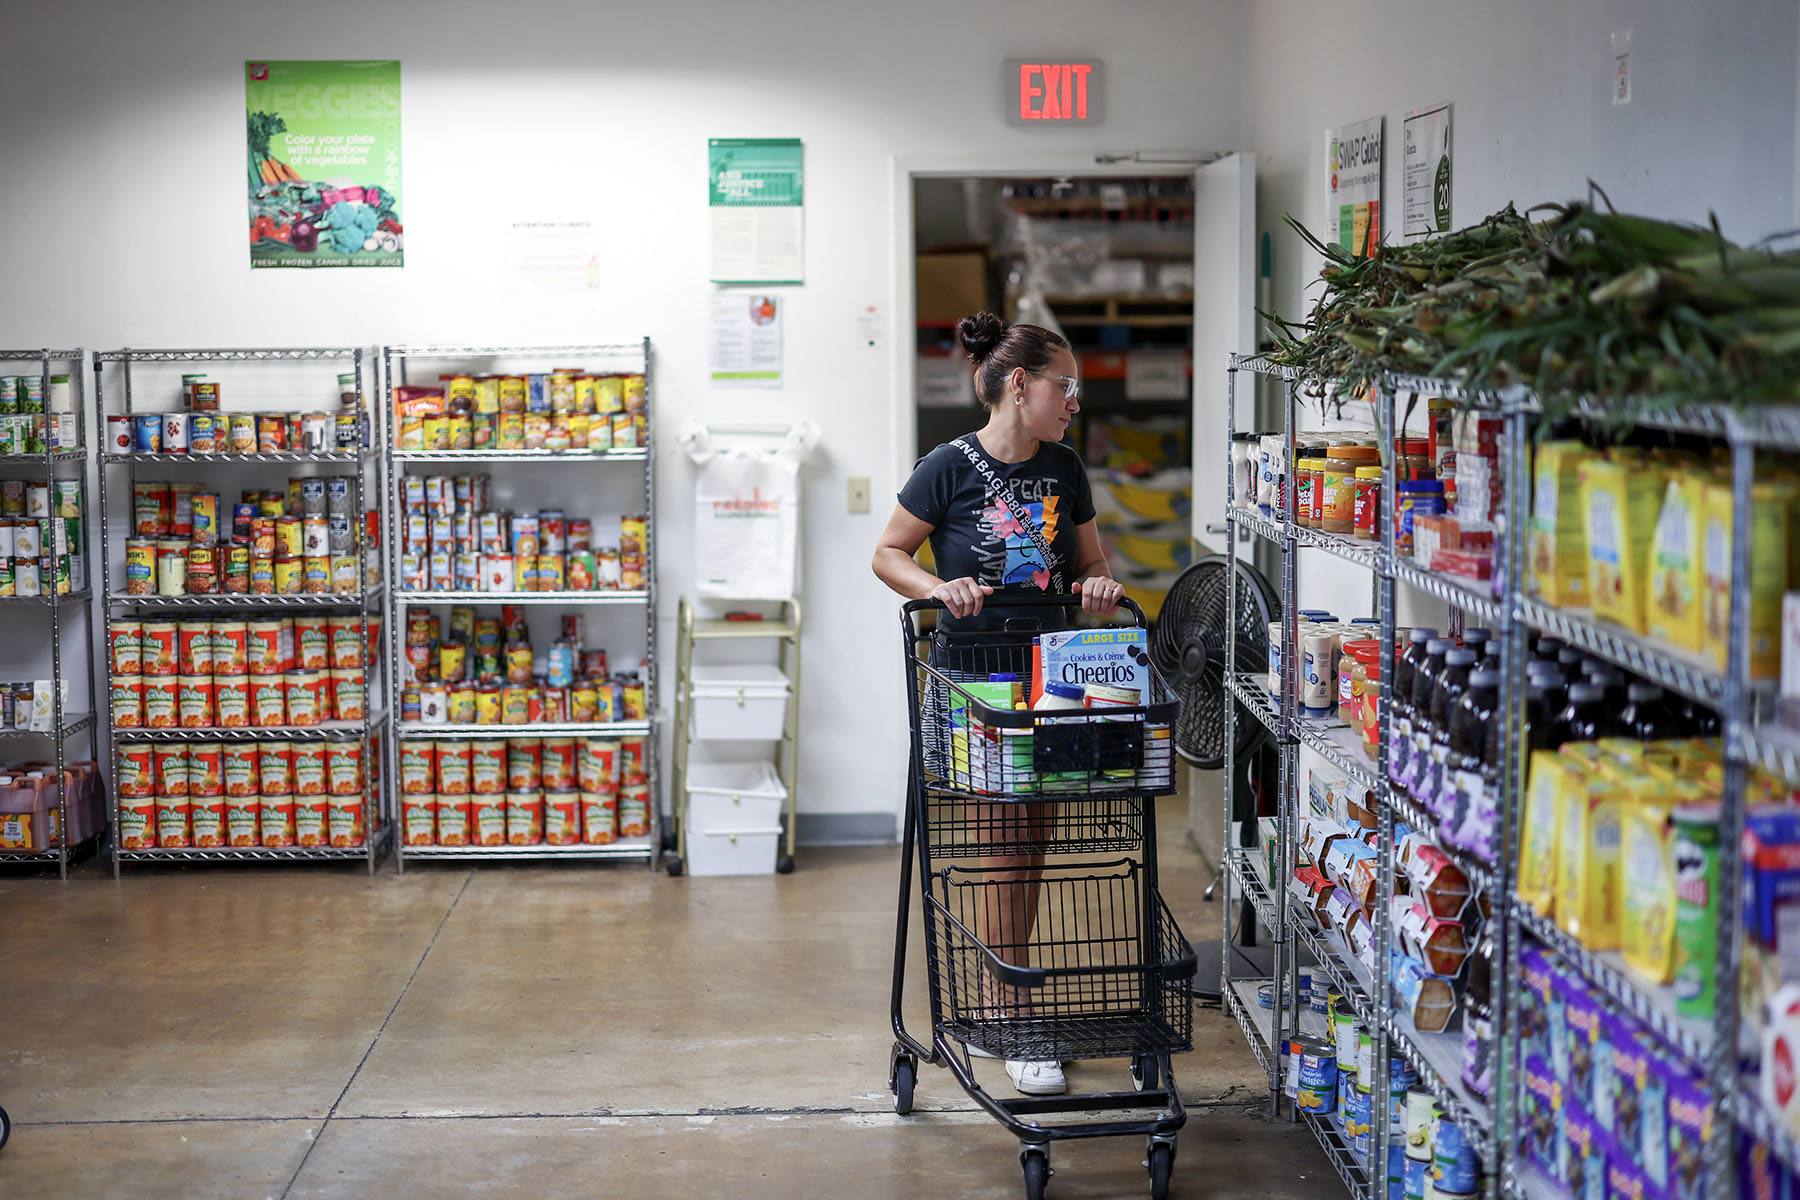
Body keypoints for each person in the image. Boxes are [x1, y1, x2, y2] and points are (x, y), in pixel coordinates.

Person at [872, 311, 1123, 1097]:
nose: (1073, 401)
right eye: (1065, 386)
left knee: (1031, 839)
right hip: (975, 676)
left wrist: (1101, 587)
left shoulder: (1065, 468)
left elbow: (1090, 563)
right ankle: (1006, 1004)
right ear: (1021, 386)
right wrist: (939, 587)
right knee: (1001, 837)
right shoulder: (945, 467)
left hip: (1051, 672)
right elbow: (887, 554)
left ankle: (1003, 995)